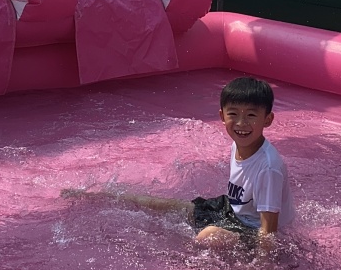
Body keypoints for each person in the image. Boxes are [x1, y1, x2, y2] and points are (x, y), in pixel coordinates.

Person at [62, 76, 294, 254]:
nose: (242, 123)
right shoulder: (240, 143)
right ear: (222, 116)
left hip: (253, 229)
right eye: (234, 113)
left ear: (268, 120)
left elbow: (269, 234)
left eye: (251, 116)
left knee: (207, 236)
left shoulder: (268, 168)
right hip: (231, 212)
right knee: (167, 206)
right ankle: (102, 196)